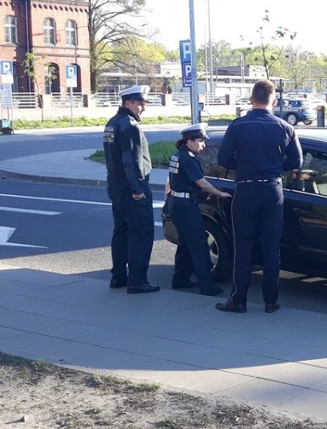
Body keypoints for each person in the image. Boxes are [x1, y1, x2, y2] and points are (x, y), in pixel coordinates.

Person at [215, 79, 303, 314]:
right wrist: (274, 166)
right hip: (273, 189)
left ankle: (239, 300)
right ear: (273, 100)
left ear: (251, 99)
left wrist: (244, 165)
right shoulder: (286, 127)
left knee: (243, 247)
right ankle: (271, 301)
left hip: (245, 188)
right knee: (271, 247)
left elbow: (223, 159)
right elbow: (297, 162)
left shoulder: (238, 126)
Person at [103, 85, 158, 294]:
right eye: (140, 104)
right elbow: (131, 160)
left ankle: (118, 277)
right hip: (132, 188)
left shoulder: (113, 123)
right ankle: (137, 281)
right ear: (128, 103)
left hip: (116, 187)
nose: (143, 109)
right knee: (141, 232)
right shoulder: (129, 125)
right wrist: (137, 189)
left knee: (121, 231)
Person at [166, 123, 231, 296]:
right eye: (200, 141)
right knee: (199, 244)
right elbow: (201, 182)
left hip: (176, 202)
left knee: (185, 243)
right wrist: (219, 193)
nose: (203, 145)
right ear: (189, 141)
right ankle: (207, 285)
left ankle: (180, 279)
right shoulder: (188, 159)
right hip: (186, 206)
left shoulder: (177, 156)